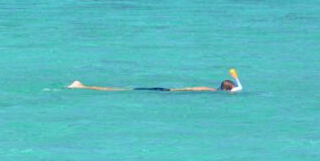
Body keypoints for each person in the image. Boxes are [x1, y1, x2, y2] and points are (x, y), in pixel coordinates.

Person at [68, 69, 242, 92]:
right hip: (165, 91)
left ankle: (81, 85)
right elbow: (190, 89)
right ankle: (81, 86)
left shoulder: (212, 90)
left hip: (166, 91)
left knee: (123, 90)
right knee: (120, 90)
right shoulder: (208, 90)